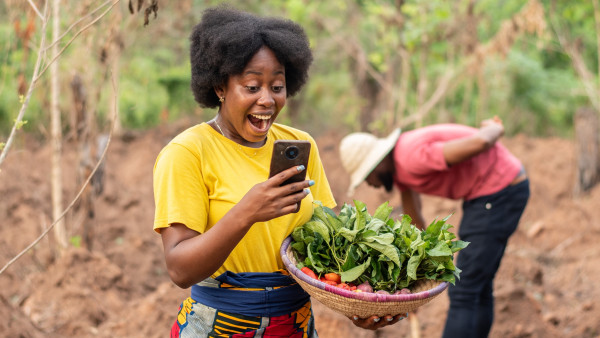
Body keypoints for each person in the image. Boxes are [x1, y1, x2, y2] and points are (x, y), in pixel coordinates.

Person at [153, 6, 404, 337]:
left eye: (277, 86)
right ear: (219, 87)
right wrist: (247, 212)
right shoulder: (188, 153)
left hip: (295, 326)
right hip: (218, 327)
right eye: (252, 86)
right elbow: (180, 268)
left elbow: (327, 248)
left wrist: (357, 303)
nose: (267, 100)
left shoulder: (299, 144)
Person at [339, 117, 530, 338]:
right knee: (478, 287)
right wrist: (411, 281)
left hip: (498, 191)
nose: (371, 184)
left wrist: (495, 128)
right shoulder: (400, 169)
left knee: (464, 291)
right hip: (493, 191)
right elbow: (416, 222)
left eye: (367, 177)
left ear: (377, 162)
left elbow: (480, 143)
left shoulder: (411, 157)